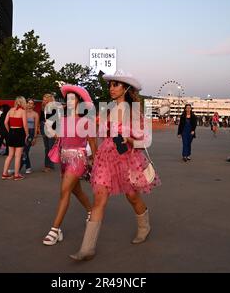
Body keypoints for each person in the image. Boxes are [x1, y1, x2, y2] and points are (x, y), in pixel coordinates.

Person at [70, 71, 161, 261]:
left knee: (132, 196)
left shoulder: (134, 111)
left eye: (115, 85)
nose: (111, 88)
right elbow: (101, 135)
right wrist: (93, 154)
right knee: (99, 199)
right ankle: (87, 248)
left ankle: (144, 226)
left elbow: (145, 141)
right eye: (110, 85)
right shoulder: (109, 110)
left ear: (126, 88)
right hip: (106, 157)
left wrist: (129, 139)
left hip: (128, 157)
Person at [43, 85, 98, 246]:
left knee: (64, 191)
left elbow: (93, 143)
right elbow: (58, 139)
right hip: (65, 159)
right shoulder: (62, 120)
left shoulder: (85, 121)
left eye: (73, 98)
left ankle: (55, 230)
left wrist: (95, 161)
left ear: (79, 102)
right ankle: (90, 210)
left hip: (78, 159)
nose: (70, 101)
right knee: (76, 190)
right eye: (68, 99)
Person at [1, 97, 29, 181]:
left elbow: (5, 122)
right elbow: (25, 125)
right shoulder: (23, 111)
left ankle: (4, 174)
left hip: (11, 131)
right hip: (19, 132)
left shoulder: (10, 110)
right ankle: (16, 175)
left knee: (10, 155)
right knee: (17, 156)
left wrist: (9, 130)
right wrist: (27, 134)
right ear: (22, 102)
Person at [20, 99, 40, 174]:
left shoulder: (35, 114)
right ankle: (27, 167)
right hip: (22, 132)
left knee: (25, 150)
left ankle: (20, 168)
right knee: (21, 151)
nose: (30, 104)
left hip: (30, 133)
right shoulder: (23, 112)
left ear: (34, 105)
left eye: (31, 103)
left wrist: (35, 137)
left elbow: (36, 126)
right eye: (28, 103)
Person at [40, 94, 57, 173]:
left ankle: (50, 165)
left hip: (51, 128)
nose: (44, 101)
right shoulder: (43, 108)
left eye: (45, 99)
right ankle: (47, 165)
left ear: (50, 100)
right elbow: (41, 119)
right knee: (46, 147)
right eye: (43, 99)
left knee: (51, 147)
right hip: (44, 127)